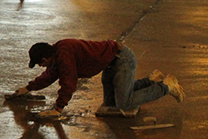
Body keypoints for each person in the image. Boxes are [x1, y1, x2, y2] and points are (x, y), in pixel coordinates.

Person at [14, 39, 185, 117]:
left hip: (122, 59)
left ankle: (166, 87)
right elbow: (49, 76)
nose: (42, 67)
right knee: (110, 104)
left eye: (41, 64)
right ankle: (150, 81)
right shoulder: (57, 54)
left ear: (45, 58)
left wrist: (57, 109)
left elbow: (69, 83)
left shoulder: (64, 55)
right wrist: (27, 88)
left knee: (124, 103)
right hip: (110, 64)